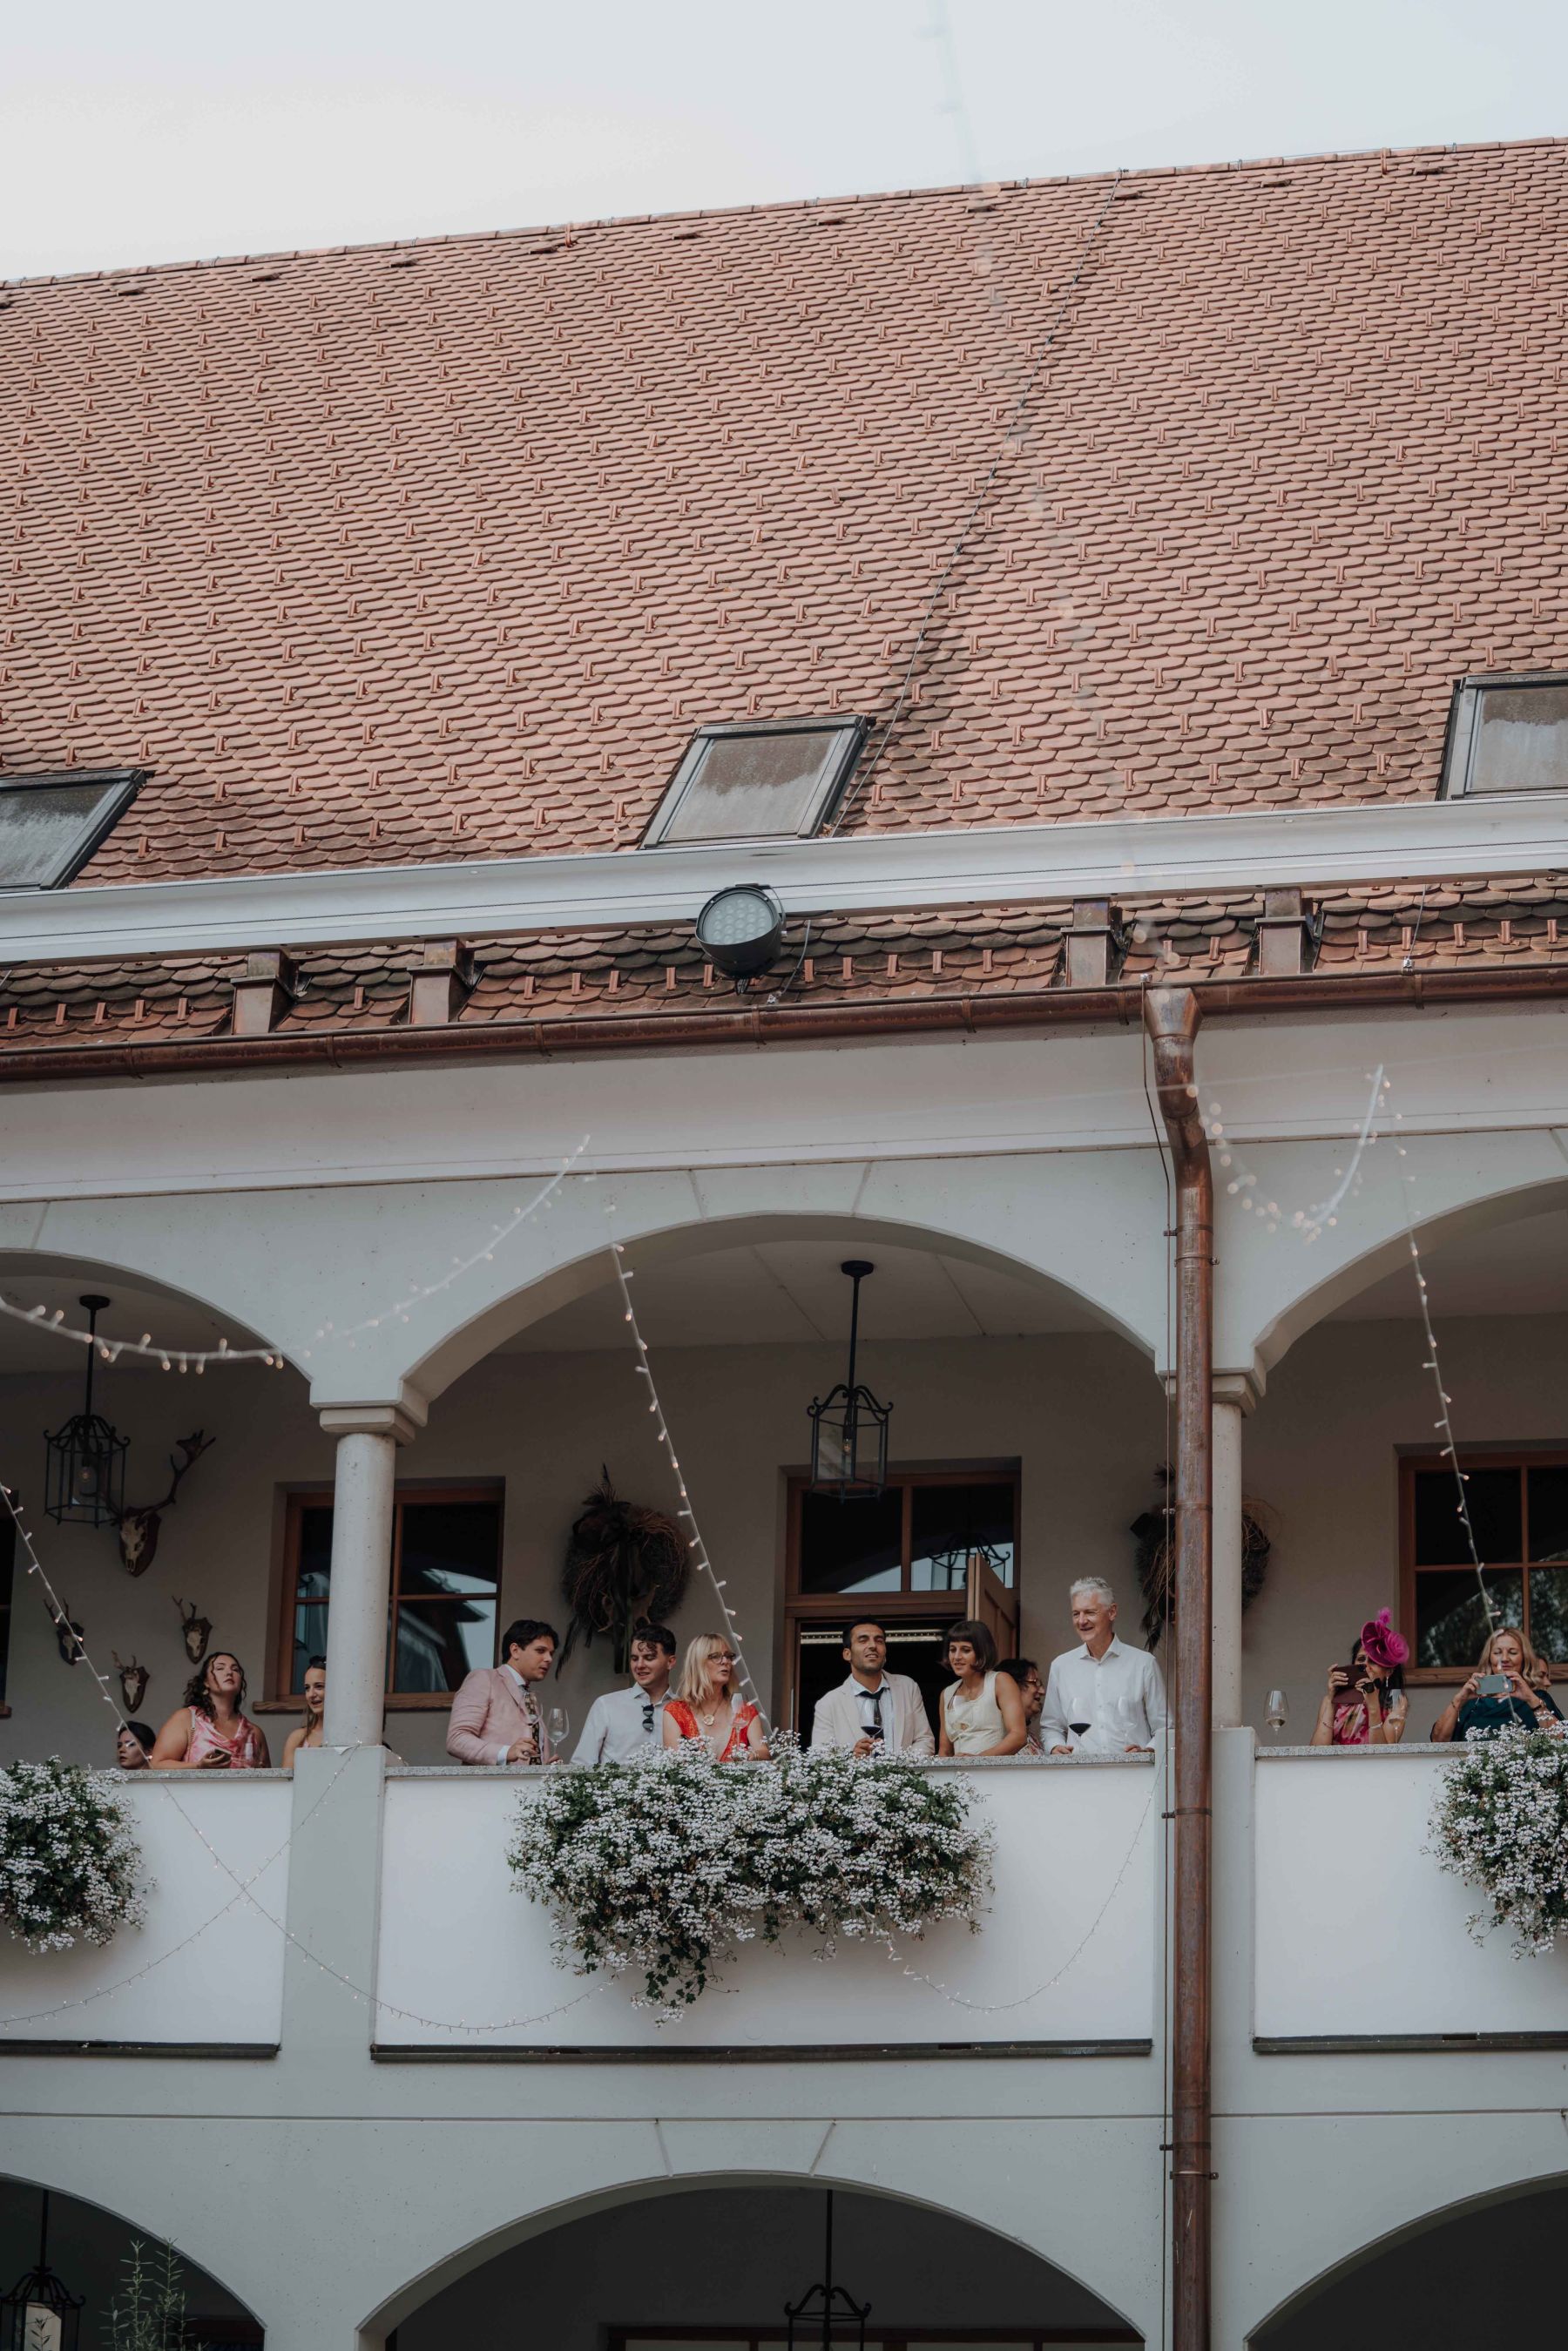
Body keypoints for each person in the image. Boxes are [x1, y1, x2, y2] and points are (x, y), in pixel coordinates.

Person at [1041, 1577, 1168, 1756]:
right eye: (1076, 1614)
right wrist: (1055, 1747)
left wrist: (1148, 1751)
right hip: (1079, 1776)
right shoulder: (1061, 1666)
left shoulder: (1144, 1663)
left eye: (1090, 1612)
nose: (1082, 1621)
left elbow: (1164, 1728)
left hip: (1133, 1776)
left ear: (1112, 1612)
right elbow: (1051, 1727)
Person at [811, 1618, 936, 1756]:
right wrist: (851, 1757)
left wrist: (900, 1771)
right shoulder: (828, 1703)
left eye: (879, 1640)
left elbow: (925, 1740)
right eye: (863, 1640)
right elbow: (820, 1757)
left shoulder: (908, 1687)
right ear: (847, 1654)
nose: (872, 1645)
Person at [446, 1619, 560, 1766]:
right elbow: (457, 1739)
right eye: (540, 1651)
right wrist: (506, 1752)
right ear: (515, 1650)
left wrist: (544, 1768)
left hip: (527, 1787)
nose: (549, 1659)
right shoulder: (484, 1679)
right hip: (490, 1787)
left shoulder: (527, 1695)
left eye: (551, 1653)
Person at [1431, 1625, 1565, 1743]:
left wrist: (1530, 1698)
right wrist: (1459, 1700)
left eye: (1513, 1652)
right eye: (1497, 1653)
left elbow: (1560, 1740)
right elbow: (1438, 1740)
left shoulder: (1538, 1698)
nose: (1505, 1659)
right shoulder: (1473, 1703)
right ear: (1489, 1659)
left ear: (1524, 1659)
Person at [573, 1622, 679, 1763]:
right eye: (634, 1658)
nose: (639, 1665)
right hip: (611, 1785)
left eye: (649, 1658)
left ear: (670, 1662)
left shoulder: (685, 1708)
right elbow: (582, 1764)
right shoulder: (606, 1705)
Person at [149, 1652, 269, 1770]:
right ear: (206, 1682)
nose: (229, 1672)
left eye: (235, 1669)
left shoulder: (254, 1733)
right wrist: (198, 1766)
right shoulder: (186, 1719)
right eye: (220, 1668)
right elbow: (156, 1765)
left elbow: (270, 1783)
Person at [662, 1632, 770, 1760]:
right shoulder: (676, 1711)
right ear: (698, 1664)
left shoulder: (743, 1709)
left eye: (728, 1656)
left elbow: (764, 1752)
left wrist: (753, 1755)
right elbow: (676, 1768)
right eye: (716, 1656)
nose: (725, 1661)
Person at [1310, 1611, 1409, 1746]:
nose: (1365, 1665)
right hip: (1333, 1767)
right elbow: (1316, 1752)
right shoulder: (1330, 1701)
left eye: (1374, 1661)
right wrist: (1333, 1701)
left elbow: (1383, 1757)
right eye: (1361, 1659)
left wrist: (1373, 1705)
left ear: (1389, 1671)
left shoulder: (1395, 1702)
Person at [937, 1619, 1027, 1757]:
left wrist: (978, 1760)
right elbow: (945, 1750)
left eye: (966, 1650)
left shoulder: (1000, 1681)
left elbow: (1018, 1736)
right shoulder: (947, 1694)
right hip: (957, 1775)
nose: (956, 1657)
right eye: (952, 1650)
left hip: (993, 1773)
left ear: (982, 1652)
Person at [282, 1656, 328, 1769]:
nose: (311, 1694)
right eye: (307, 1688)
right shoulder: (297, 1738)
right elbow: (287, 1784)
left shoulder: (354, 1736)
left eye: (319, 1686)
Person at [997, 1657, 1046, 1755]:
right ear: (1012, 1686)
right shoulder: (998, 1735)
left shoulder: (1030, 1736)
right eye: (1035, 1683)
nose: (1042, 1691)